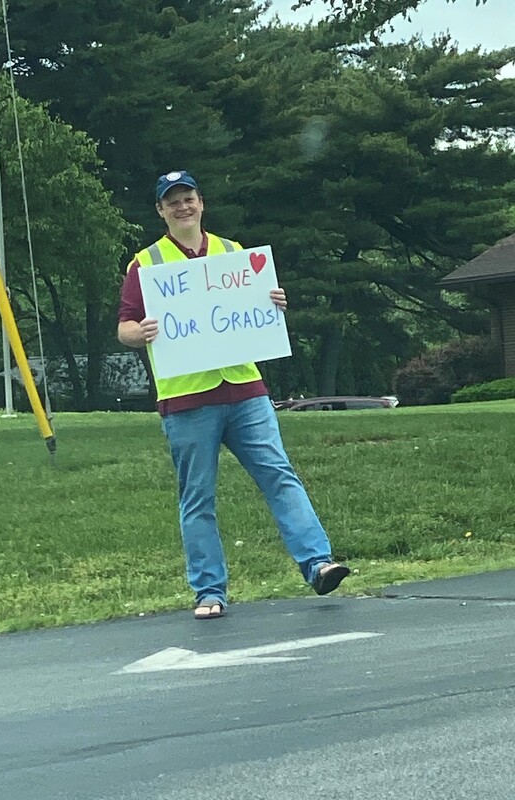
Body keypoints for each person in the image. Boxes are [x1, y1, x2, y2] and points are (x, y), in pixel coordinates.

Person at [118, 170, 349, 619]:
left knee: (280, 476)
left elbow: (258, 305)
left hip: (244, 390)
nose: (182, 207)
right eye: (173, 201)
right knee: (197, 497)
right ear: (161, 211)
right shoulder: (145, 264)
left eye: (189, 198)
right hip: (186, 399)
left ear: (201, 203)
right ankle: (209, 591)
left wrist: (274, 300)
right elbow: (125, 324)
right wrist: (139, 332)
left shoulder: (233, 253)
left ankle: (319, 563)